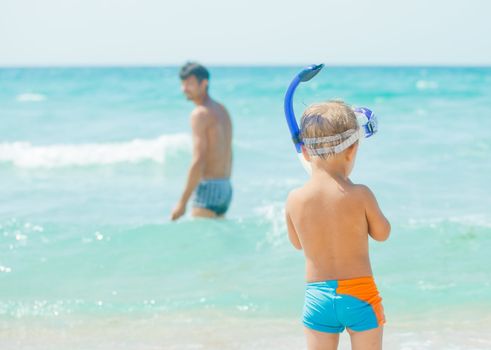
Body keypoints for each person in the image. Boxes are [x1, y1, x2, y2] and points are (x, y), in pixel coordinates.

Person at [285, 101, 391, 350]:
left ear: (306, 153)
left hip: (317, 299)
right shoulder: (360, 194)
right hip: (359, 296)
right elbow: (382, 233)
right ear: (352, 150)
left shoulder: (295, 199)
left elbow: (297, 243)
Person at [170, 62, 233, 221]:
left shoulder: (199, 114)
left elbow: (199, 159)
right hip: (225, 187)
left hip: (208, 188)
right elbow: (228, 151)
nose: (184, 89)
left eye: (189, 83)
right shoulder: (222, 109)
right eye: (183, 84)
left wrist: (182, 202)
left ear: (204, 83)